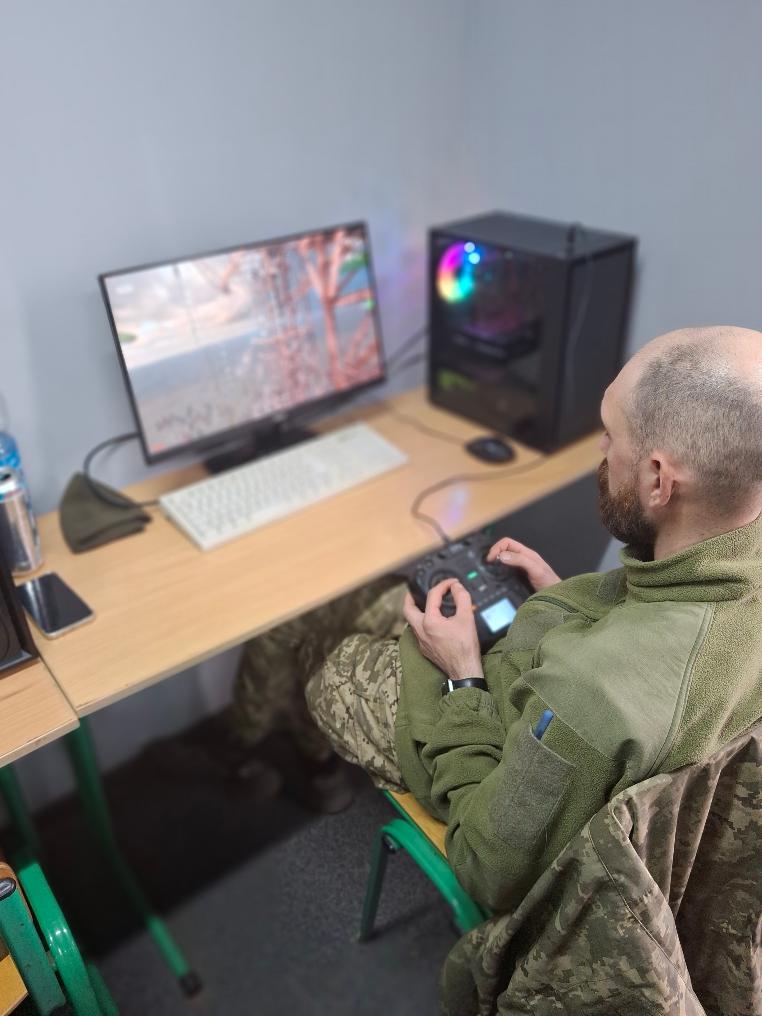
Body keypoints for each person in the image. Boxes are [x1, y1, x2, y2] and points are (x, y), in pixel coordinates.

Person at [224, 325, 762, 909]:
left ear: (658, 479)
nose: (601, 451)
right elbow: (651, 640)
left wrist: (462, 675)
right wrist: (568, 603)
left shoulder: (592, 699)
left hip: (495, 738)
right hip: (584, 749)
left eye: (611, 436)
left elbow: (487, 866)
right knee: (377, 601)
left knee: (312, 646)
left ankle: (280, 758)